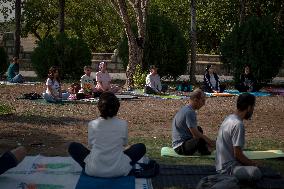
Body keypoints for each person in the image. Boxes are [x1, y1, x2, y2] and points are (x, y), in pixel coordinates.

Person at [68, 92, 146, 178]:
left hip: (94, 169)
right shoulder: (123, 124)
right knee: (140, 147)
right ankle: (118, 163)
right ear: (117, 108)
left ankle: (96, 164)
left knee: (73, 147)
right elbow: (124, 144)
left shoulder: (92, 124)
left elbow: (91, 145)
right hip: (119, 170)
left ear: (99, 107)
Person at [215, 93, 262, 182]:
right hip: (228, 169)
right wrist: (253, 164)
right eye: (252, 107)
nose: (252, 110)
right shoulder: (238, 124)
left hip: (220, 165)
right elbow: (238, 155)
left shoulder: (229, 118)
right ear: (248, 107)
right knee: (256, 172)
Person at [172, 89, 215, 155]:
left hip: (179, 143)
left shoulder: (186, 109)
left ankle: (206, 148)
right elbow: (195, 135)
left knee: (199, 129)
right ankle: (206, 150)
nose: (204, 104)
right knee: (200, 139)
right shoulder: (190, 112)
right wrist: (210, 141)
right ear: (196, 100)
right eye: (203, 101)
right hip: (180, 147)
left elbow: (195, 131)